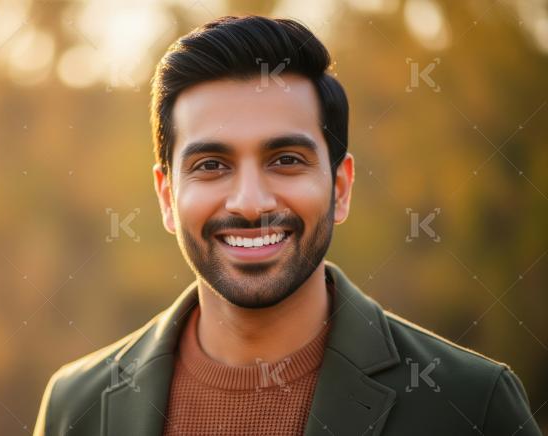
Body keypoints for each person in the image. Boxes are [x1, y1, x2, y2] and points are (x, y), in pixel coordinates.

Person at [33, 15, 541, 436]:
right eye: (211, 165)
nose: (251, 203)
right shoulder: (75, 406)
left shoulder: (471, 404)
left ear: (340, 187)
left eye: (286, 160)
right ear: (167, 196)